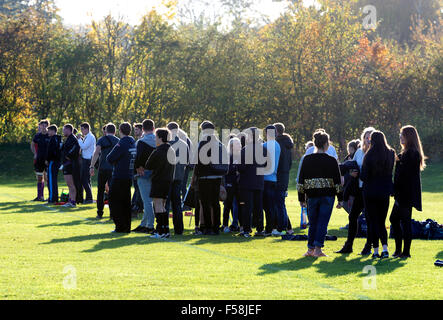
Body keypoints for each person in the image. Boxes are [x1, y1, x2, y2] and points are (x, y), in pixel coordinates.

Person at [297, 130, 343, 257]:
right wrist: (340, 198)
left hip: (311, 195)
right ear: (326, 144)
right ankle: (318, 249)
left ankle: (310, 249)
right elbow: (337, 182)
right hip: (327, 195)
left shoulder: (307, 159)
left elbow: (301, 181)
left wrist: (301, 198)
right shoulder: (332, 160)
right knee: (322, 222)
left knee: (313, 222)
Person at [336, 127, 376, 255]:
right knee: (352, 216)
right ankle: (349, 245)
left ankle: (368, 247)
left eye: (371, 137)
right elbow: (353, 165)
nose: (368, 140)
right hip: (359, 189)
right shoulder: (359, 151)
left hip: (370, 190)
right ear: (363, 138)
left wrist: (358, 174)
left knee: (370, 219)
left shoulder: (377, 152)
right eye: (366, 137)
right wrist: (350, 172)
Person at [390, 125, 426, 259]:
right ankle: (399, 250)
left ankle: (405, 252)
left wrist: (399, 162)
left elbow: (406, 174)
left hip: (406, 194)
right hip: (401, 193)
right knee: (395, 220)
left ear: (409, 137)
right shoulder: (405, 153)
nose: (400, 137)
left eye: (402, 135)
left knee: (404, 222)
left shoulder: (413, 153)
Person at [360, 131, 395, 259]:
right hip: (384, 191)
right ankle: (385, 248)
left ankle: (375, 250)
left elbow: (364, 176)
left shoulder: (369, 155)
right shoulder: (391, 153)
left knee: (373, 221)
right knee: (381, 221)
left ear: (372, 141)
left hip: (370, 192)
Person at [194, 121, 228, 235]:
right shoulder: (219, 143)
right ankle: (216, 227)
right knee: (215, 202)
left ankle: (208, 227)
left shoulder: (203, 143)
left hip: (205, 176)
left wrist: (195, 175)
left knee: (205, 202)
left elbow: (197, 160)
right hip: (217, 176)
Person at [145, 128, 176, 239]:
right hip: (168, 180)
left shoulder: (158, 151)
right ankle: (165, 230)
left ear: (161, 138)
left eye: (156, 137)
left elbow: (148, 165)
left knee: (158, 205)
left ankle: (160, 230)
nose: (155, 139)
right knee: (162, 205)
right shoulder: (171, 150)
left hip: (158, 180)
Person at [106, 122, 136, 233]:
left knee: (114, 201)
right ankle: (126, 226)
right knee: (126, 202)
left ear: (120, 131)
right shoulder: (133, 142)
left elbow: (110, 158)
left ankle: (119, 226)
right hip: (128, 176)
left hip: (119, 175)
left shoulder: (122, 143)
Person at [237, 127, 267, 238]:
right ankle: (260, 229)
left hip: (247, 182)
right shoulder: (263, 149)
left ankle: (246, 229)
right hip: (259, 181)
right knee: (258, 207)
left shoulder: (246, 149)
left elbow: (241, 167)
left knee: (247, 207)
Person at [132, 119, 157, 234]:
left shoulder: (141, 142)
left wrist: (137, 167)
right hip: (156, 172)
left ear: (143, 129)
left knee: (146, 200)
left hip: (143, 172)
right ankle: (144, 223)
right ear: (153, 128)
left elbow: (138, 158)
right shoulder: (158, 140)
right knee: (150, 200)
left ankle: (150, 225)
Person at [90, 123, 120, 219]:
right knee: (112, 191)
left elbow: (96, 153)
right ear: (115, 131)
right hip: (113, 168)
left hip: (103, 168)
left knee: (100, 190)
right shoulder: (118, 141)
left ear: (106, 131)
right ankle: (112, 213)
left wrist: (91, 166)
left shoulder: (102, 140)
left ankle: (100, 212)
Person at [165, 122, 190, 236]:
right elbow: (188, 162)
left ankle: (164, 227)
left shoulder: (166, 143)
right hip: (179, 176)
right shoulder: (184, 144)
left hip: (167, 177)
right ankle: (179, 228)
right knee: (177, 203)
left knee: (165, 203)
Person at [273, 123, 294, 235]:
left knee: (279, 203)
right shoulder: (287, 143)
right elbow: (289, 163)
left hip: (279, 175)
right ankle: (288, 228)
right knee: (280, 202)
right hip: (284, 175)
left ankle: (282, 228)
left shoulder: (278, 143)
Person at [262, 125, 281, 237]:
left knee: (267, 206)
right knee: (272, 205)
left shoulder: (264, 145)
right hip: (274, 178)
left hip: (266, 178)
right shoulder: (277, 145)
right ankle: (274, 226)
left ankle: (268, 229)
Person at [222, 137, 242, 233]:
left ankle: (240, 225)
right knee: (227, 205)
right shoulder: (228, 157)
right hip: (229, 183)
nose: (239, 145)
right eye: (237, 144)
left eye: (239, 143)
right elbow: (227, 171)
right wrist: (236, 170)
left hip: (239, 185)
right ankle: (225, 225)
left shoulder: (241, 156)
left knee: (240, 205)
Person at [61, 124, 80, 208]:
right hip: (66, 164)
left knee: (71, 184)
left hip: (70, 164)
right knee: (69, 184)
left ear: (68, 130)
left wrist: (67, 156)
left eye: (64, 130)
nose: (63, 131)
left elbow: (75, 149)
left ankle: (73, 201)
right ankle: (70, 200)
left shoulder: (73, 139)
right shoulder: (68, 139)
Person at [31, 120, 51, 201]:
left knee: (48, 178)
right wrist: (35, 153)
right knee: (39, 178)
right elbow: (32, 145)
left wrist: (49, 158)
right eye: (42, 125)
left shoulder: (50, 135)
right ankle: (40, 196)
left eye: (45, 125)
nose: (43, 126)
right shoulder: (37, 136)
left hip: (47, 160)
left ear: (47, 126)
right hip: (39, 160)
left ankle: (51, 196)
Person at [77, 122, 96, 204]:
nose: (81, 131)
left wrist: (78, 139)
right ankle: (89, 197)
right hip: (86, 159)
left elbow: (84, 146)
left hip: (88, 160)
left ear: (87, 129)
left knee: (84, 179)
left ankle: (89, 198)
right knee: (87, 180)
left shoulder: (90, 137)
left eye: (82, 129)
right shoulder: (87, 137)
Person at [45, 125, 62, 204]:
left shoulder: (53, 139)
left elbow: (51, 152)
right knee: (53, 180)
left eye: (49, 130)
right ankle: (53, 197)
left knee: (51, 181)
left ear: (53, 131)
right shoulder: (57, 139)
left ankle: (52, 198)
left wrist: (47, 159)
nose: (48, 132)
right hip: (56, 162)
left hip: (53, 162)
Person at [131, 123, 144, 215]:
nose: (135, 131)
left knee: (139, 189)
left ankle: (136, 206)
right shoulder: (137, 141)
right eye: (134, 130)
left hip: (140, 169)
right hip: (135, 169)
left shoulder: (142, 141)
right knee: (137, 188)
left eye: (137, 130)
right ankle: (137, 206)